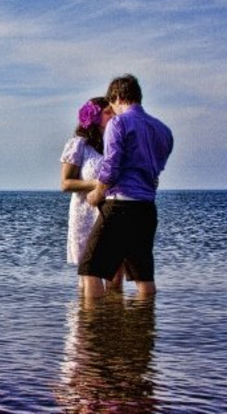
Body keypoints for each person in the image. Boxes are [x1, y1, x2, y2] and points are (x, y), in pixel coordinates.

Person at [79, 74, 174, 299]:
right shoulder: (163, 129)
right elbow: (158, 166)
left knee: (90, 269)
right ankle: (144, 327)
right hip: (147, 207)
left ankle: (95, 329)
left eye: (112, 104)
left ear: (119, 97)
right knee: (144, 275)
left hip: (120, 205)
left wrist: (97, 193)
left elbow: (111, 166)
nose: (112, 110)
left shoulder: (118, 123)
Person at [60, 97, 120, 290]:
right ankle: (87, 319)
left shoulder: (116, 143)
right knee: (88, 276)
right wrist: (98, 183)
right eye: (108, 112)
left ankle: (116, 318)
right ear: (95, 117)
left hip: (112, 213)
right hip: (85, 213)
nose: (113, 114)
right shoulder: (79, 144)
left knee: (116, 275)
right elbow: (66, 183)